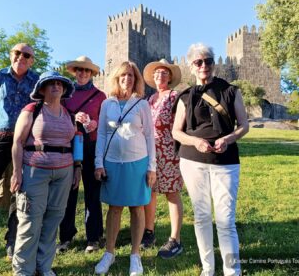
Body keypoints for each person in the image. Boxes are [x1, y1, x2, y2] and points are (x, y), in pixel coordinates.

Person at [172, 43, 249, 276]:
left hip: (226, 162)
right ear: (192, 67)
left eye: (207, 61)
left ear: (214, 64)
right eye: (198, 62)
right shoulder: (185, 96)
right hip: (193, 161)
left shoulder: (231, 91)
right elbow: (176, 132)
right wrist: (195, 142)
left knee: (226, 220)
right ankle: (208, 269)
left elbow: (244, 125)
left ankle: (231, 271)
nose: (203, 65)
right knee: (202, 216)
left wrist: (228, 138)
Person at [10, 71, 80, 276]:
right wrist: (16, 172)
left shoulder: (69, 114)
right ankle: (23, 269)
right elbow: (17, 142)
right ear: (41, 89)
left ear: (64, 89)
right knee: (30, 219)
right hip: (35, 170)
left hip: (63, 173)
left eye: (60, 83)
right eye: (51, 84)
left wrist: (77, 167)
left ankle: (43, 266)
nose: (56, 86)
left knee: (53, 220)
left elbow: (75, 142)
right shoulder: (32, 110)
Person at [94, 61, 156, 276]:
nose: (127, 79)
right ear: (117, 79)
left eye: (131, 76)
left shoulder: (141, 105)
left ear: (136, 80)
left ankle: (135, 255)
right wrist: (98, 163)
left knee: (137, 207)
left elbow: (149, 136)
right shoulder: (107, 104)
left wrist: (151, 167)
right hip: (112, 162)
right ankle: (109, 253)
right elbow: (101, 134)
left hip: (138, 162)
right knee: (114, 208)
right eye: (123, 76)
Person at [0, 43, 39, 259]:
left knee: (19, 189)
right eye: (17, 53)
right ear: (10, 55)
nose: (21, 57)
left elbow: (40, 108)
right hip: (1, 138)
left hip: (24, 141)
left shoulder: (36, 81)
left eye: (26, 55)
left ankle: (12, 240)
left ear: (32, 60)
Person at [56, 56, 106, 254]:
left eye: (87, 71)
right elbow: (57, 114)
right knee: (69, 192)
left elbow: (106, 123)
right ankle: (66, 236)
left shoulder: (101, 96)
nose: (83, 73)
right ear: (75, 72)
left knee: (93, 193)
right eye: (79, 70)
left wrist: (95, 123)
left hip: (91, 146)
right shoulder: (66, 94)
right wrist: (72, 117)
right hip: (70, 146)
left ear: (92, 73)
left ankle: (93, 237)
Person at [141, 58, 184, 259]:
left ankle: (175, 238)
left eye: (164, 72)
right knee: (150, 191)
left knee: (172, 193)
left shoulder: (175, 96)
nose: (160, 75)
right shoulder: (150, 99)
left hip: (170, 151)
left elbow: (181, 124)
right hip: (150, 152)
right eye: (157, 72)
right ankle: (148, 232)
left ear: (170, 77)